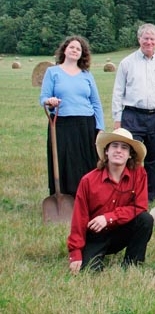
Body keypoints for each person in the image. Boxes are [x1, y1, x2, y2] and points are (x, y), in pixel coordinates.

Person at [67, 128, 153, 273]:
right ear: (106, 151)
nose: (119, 150)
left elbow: (140, 206)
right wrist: (75, 254)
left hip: (121, 230)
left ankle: (132, 264)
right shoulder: (88, 180)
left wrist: (109, 218)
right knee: (89, 271)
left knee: (145, 219)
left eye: (124, 148)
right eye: (115, 146)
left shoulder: (139, 174)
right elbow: (79, 218)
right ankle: (94, 255)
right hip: (95, 234)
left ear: (130, 155)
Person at [112, 23, 155, 202]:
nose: (149, 42)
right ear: (139, 39)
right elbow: (118, 91)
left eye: (152, 39)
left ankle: (150, 195)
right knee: (130, 155)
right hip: (132, 115)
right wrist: (118, 118)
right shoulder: (127, 63)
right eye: (145, 38)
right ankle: (128, 192)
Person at [39, 35, 105, 197]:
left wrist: (100, 127)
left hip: (85, 123)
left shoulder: (86, 75)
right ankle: (64, 196)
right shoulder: (52, 72)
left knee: (85, 160)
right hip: (61, 123)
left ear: (82, 54)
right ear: (65, 50)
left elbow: (96, 102)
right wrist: (49, 101)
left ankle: (85, 196)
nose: (74, 50)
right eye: (72, 47)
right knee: (63, 160)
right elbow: (43, 98)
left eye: (78, 49)